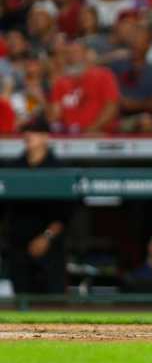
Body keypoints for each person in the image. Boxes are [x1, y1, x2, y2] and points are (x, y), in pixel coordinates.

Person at [5, 118, 70, 294]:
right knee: (22, 300)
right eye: (26, 131)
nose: (28, 135)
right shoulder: (13, 168)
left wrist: (46, 237)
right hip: (18, 244)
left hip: (49, 245)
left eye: (33, 131)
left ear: (45, 137)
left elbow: (65, 214)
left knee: (53, 302)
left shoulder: (58, 169)